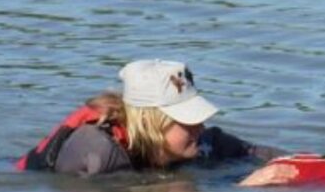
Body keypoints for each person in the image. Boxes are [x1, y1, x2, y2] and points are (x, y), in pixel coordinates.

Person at [16, 59, 284, 176]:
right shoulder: (99, 150)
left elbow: (255, 153)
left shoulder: (196, 139)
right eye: (187, 119)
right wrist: (241, 187)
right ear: (152, 123)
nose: (199, 126)